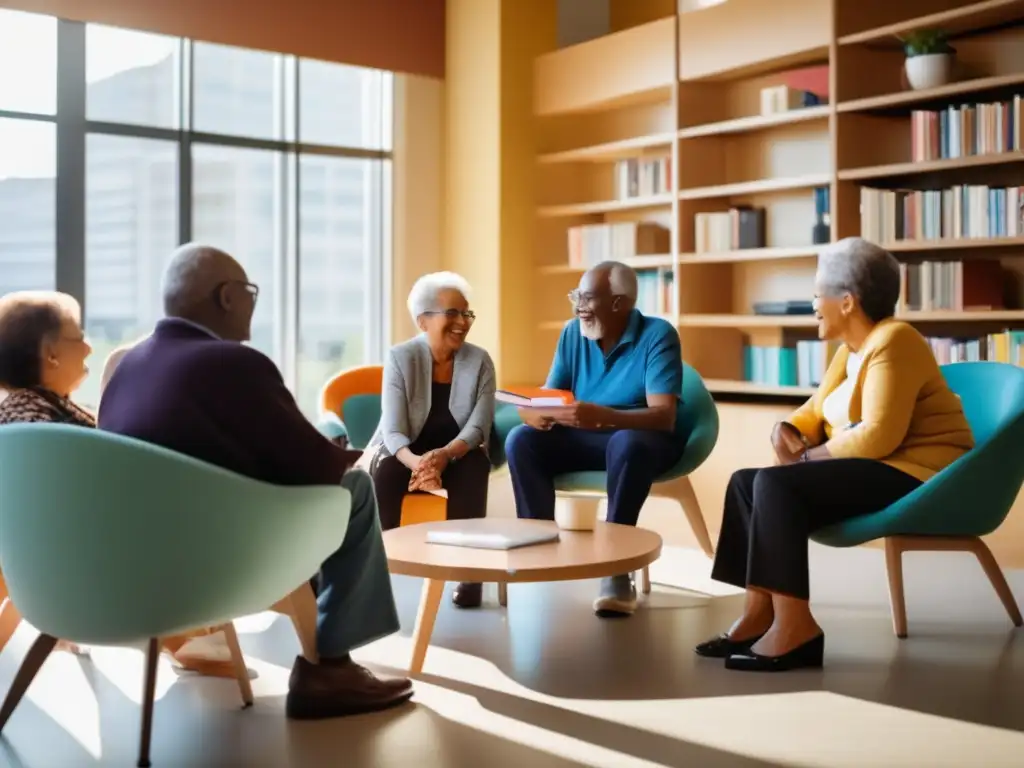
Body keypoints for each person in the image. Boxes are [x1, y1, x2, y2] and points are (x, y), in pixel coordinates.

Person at [99, 243, 413, 719]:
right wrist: (353, 457)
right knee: (355, 490)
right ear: (226, 296)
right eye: (250, 292)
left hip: (131, 563)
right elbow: (315, 467)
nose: (252, 303)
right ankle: (331, 668)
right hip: (218, 566)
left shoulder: (129, 367)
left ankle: (328, 663)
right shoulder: (232, 363)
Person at [695, 237, 974, 672]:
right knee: (746, 482)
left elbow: (880, 435)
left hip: (917, 472)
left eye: (816, 293)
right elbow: (816, 409)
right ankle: (758, 615)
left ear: (847, 301)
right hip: (875, 467)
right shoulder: (851, 351)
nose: (812, 304)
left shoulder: (895, 340)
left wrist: (806, 459)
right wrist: (785, 430)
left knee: (774, 483)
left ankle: (796, 628)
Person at [505, 261, 686, 618]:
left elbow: (664, 417)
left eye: (587, 298)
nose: (578, 306)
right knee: (520, 440)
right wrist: (536, 412)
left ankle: (616, 569)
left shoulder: (659, 335)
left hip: (643, 441)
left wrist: (603, 417)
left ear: (619, 303)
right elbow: (549, 395)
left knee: (626, 442)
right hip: (584, 437)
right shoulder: (574, 333)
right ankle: (538, 553)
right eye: (577, 297)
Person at [368, 272, 495, 609]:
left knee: (474, 467)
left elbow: (479, 427)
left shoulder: (480, 360)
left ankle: (468, 574)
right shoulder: (400, 357)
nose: (462, 322)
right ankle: (380, 573)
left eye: (466, 314)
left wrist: (444, 456)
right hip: (406, 450)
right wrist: (419, 463)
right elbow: (392, 431)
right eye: (451, 313)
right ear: (423, 321)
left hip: (458, 450)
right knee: (385, 470)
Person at [0, 291, 94, 657]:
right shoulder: (35, 422)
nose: (88, 349)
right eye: (79, 337)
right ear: (51, 354)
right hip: (52, 556)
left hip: (31, 556)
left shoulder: (29, 408)